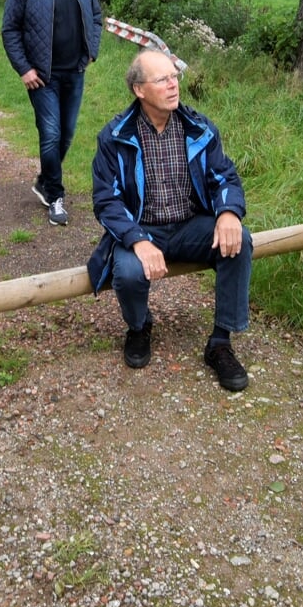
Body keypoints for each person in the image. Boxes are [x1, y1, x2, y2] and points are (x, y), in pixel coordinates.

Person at [88, 49, 254, 392]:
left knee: (240, 242)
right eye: (162, 79)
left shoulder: (199, 128)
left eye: (175, 76)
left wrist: (227, 212)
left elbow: (225, 177)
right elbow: (106, 201)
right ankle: (138, 327)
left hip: (189, 225)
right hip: (141, 228)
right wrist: (137, 239)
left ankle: (220, 343)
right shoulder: (114, 137)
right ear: (139, 89)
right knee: (130, 272)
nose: (173, 85)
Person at [1, 0, 103, 227]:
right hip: (42, 76)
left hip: (75, 70)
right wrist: (24, 68)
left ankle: (45, 180)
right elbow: (10, 29)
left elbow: (96, 16)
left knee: (67, 134)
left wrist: (92, 51)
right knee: (51, 134)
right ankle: (56, 196)